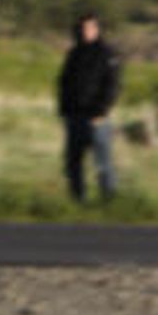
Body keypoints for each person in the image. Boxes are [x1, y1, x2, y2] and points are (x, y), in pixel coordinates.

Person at [56, 11, 120, 203]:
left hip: (96, 118)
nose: (85, 32)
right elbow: (64, 82)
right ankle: (78, 200)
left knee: (102, 162)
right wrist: (64, 109)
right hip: (74, 116)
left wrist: (101, 111)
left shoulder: (106, 54)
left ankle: (109, 201)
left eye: (89, 28)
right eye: (82, 28)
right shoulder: (74, 54)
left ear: (97, 29)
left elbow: (112, 85)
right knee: (73, 162)